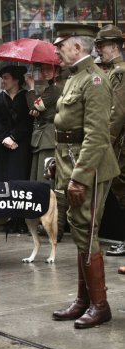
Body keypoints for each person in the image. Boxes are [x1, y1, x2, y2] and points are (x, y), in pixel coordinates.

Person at [52, 23, 120, 329]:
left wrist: (79, 177)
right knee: (80, 230)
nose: (56, 50)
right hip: (72, 161)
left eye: (61, 45)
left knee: (88, 231)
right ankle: (84, 301)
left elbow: (96, 135)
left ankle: (100, 305)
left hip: (89, 167)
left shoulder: (93, 80)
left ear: (78, 47)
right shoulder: (75, 77)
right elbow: (67, 128)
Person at [0, 65, 33, 233]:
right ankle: (3, 218)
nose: (3, 81)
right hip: (2, 146)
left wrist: (14, 137)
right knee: (2, 180)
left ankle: (19, 220)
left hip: (20, 146)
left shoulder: (26, 98)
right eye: (2, 78)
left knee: (19, 181)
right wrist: (5, 138)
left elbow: (27, 123)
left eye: (6, 77)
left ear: (16, 80)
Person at [25, 63, 68, 242]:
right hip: (45, 137)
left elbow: (35, 105)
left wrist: (31, 88)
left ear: (57, 70)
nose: (45, 72)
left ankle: (54, 227)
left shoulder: (55, 89)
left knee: (47, 184)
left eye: (49, 69)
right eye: (42, 69)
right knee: (44, 183)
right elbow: (35, 108)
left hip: (49, 139)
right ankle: (51, 225)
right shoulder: (53, 88)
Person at [94, 24, 125, 261]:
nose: (99, 50)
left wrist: (106, 143)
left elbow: (117, 113)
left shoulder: (119, 72)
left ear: (114, 46)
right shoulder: (115, 71)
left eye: (102, 46)